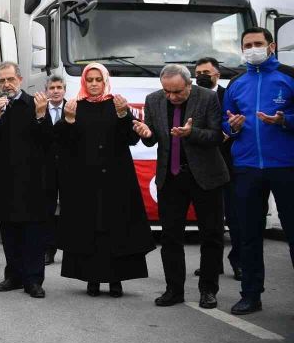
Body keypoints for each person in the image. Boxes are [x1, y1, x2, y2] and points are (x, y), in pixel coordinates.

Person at [134, 64, 228, 309]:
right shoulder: (153, 100)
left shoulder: (207, 97)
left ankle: (208, 289)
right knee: (171, 237)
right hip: (170, 178)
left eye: (177, 92)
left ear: (189, 84)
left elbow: (217, 136)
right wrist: (146, 133)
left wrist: (191, 133)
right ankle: (173, 290)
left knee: (212, 235)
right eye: (167, 91)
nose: (172, 97)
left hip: (206, 177)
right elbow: (153, 137)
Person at [58, 63, 155, 298]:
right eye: (89, 80)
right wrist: (68, 121)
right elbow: (63, 144)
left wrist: (124, 116)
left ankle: (116, 280)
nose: (93, 84)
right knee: (89, 229)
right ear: (84, 82)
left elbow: (131, 139)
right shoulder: (74, 107)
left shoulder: (118, 106)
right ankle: (91, 279)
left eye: (97, 80)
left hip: (116, 180)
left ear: (105, 81)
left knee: (116, 228)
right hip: (84, 181)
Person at [221, 27, 294, 315]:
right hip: (247, 167)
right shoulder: (237, 83)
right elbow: (225, 123)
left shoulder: (289, 76)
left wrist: (284, 120)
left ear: (271, 46)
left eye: (258, 44)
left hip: (286, 166)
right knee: (249, 235)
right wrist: (232, 127)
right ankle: (251, 294)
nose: (253, 49)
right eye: (247, 45)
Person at [0, 62, 50, 297]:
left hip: (32, 180)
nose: (6, 85)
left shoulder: (34, 103)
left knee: (33, 234)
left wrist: (40, 116)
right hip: (5, 179)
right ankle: (14, 276)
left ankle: (34, 280)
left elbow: (48, 140)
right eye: (1, 81)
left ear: (19, 79)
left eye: (10, 79)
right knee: (9, 232)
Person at [194, 57, 246, 281]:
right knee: (210, 222)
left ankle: (239, 263)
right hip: (205, 167)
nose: (201, 76)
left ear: (217, 74)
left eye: (206, 72)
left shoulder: (229, 95)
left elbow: (240, 123)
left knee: (236, 218)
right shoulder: (192, 96)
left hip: (231, 164)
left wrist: (230, 131)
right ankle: (212, 265)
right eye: (198, 72)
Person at [44, 74, 67, 266]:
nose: (56, 91)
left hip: (70, 169)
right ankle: (48, 251)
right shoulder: (39, 110)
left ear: (64, 90)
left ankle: (70, 250)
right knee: (47, 211)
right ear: (47, 91)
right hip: (46, 170)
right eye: (52, 88)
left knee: (70, 210)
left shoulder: (74, 108)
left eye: (59, 87)